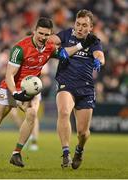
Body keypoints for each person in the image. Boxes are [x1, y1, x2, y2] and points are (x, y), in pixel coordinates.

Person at [0, 17, 96, 170]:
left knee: (31, 114)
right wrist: (15, 93)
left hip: (31, 88)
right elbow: (9, 75)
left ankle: (16, 153)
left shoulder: (49, 47)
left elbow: (64, 54)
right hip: (10, 89)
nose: (43, 37)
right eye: (40, 33)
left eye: (46, 35)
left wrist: (81, 45)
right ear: (35, 31)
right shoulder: (20, 48)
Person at [50, 9, 105, 169]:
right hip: (66, 82)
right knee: (64, 112)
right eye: (78, 24)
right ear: (74, 23)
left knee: (82, 132)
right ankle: (66, 153)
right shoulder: (66, 35)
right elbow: (51, 41)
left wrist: (98, 61)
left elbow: (100, 56)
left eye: (84, 25)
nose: (80, 28)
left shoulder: (94, 41)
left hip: (86, 88)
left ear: (91, 27)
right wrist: (49, 42)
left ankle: (79, 149)